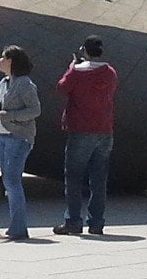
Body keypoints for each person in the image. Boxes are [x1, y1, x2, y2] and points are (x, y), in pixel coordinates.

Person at [53, 35, 118, 236]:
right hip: (104, 130)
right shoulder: (110, 72)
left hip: (80, 129)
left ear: (84, 50)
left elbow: (61, 88)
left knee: (73, 177)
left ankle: (73, 220)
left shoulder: (77, 73)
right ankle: (96, 222)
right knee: (99, 179)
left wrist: (72, 67)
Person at [0, 45, 40, 241]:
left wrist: (11, 115)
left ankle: (18, 227)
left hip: (19, 137)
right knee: (8, 180)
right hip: (2, 136)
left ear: (12, 61)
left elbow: (35, 110)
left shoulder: (25, 84)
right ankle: (16, 225)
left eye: (3, 57)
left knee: (12, 181)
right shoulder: (3, 83)